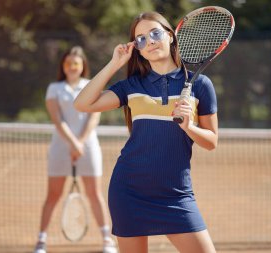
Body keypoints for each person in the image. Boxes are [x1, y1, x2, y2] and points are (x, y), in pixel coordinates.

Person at [74, 11, 218, 253]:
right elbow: (83, 103)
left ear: (171, 36)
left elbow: (211, 141)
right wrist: (115, 63)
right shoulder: (131, 85)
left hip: (176, 194)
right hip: (129, 191)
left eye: (155, 33)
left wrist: (189, 126)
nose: (149, 41)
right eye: (140, 39)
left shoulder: (200, 85)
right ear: (137, 49)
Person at [33, 46, 117, 253]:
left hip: (88, 147)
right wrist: (73, 143)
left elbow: (94, 116)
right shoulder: (54, 88)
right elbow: (57, 119)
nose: (72, 67)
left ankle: (108, 240)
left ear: (82, 66)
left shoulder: (90, 85)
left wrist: (80, 142)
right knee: (53, 194)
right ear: (63, 66)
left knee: (94, 193)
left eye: (76, 63)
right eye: (68, 63)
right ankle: (41, 241)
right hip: (60, 147)